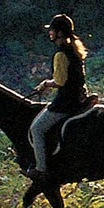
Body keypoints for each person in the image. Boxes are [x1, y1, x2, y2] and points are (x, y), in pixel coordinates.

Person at [28, 12, 89, 179]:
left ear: (59, 33)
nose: (50, 33)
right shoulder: (75, 51)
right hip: (80, 97)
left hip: (66, 102)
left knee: (37, 129)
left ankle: (41, 169)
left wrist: (46, 84)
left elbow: (60, 81)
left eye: (52, 30)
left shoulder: (61, 54)